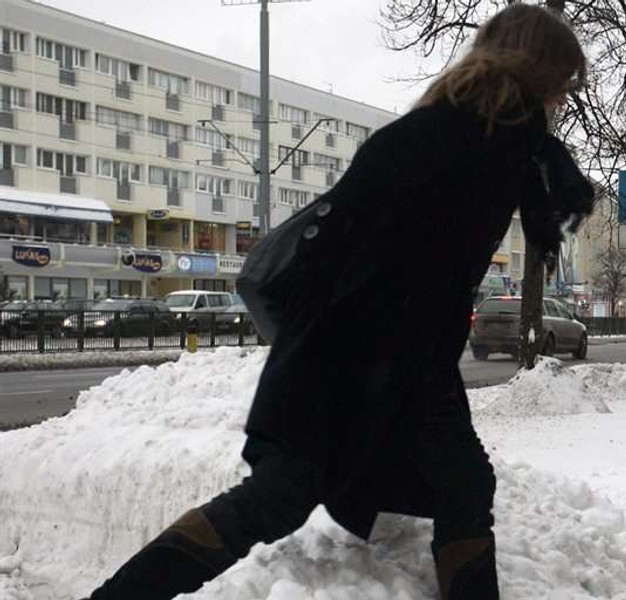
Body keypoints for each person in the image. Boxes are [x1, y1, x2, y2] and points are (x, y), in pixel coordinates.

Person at [85, 5, 592, 599]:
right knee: (282, 496)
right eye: (562, 82)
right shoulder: (454, 141)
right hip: (344, 358)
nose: (564, 98)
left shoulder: (497, 145)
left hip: (405, 362)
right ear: (534, 69)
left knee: (461, 486)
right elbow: (352, 257)